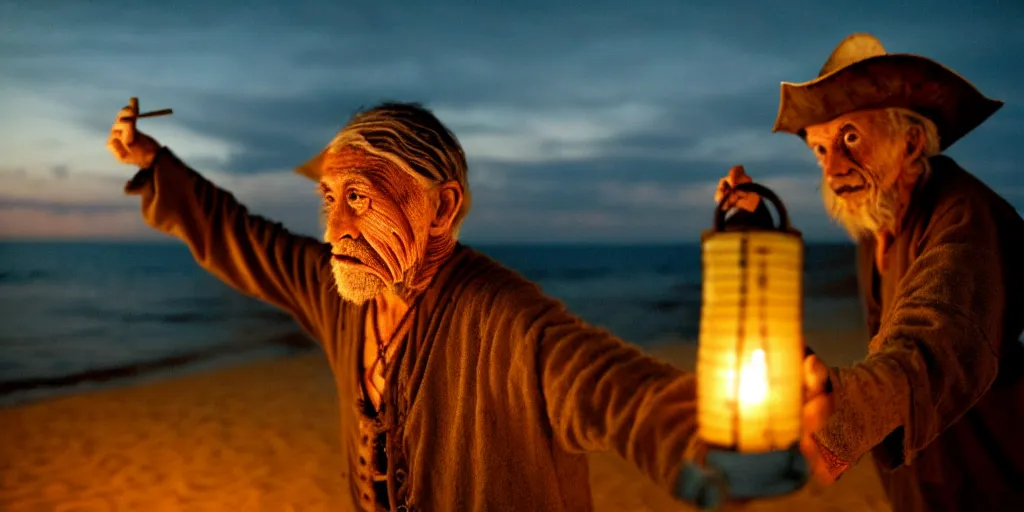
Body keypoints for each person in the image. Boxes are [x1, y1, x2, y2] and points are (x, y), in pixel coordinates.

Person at [107, 101, 831, 511]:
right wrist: (155, 163)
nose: (334, 231)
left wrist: (718, 447)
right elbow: (240, 234)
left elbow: (615, 388)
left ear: (441, 208)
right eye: (329, 200)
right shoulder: (342, 293)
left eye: (359, 199)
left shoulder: (502, 316)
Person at [716, 33, 1024, 512]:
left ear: (911, 141)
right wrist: (754, 230)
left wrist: (847, 415)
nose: (834, 167)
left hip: (985, 480)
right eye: (820, 150)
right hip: (916, 481)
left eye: (850, 138)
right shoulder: (876, 228)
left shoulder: (965, 220)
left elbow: (934, 333)